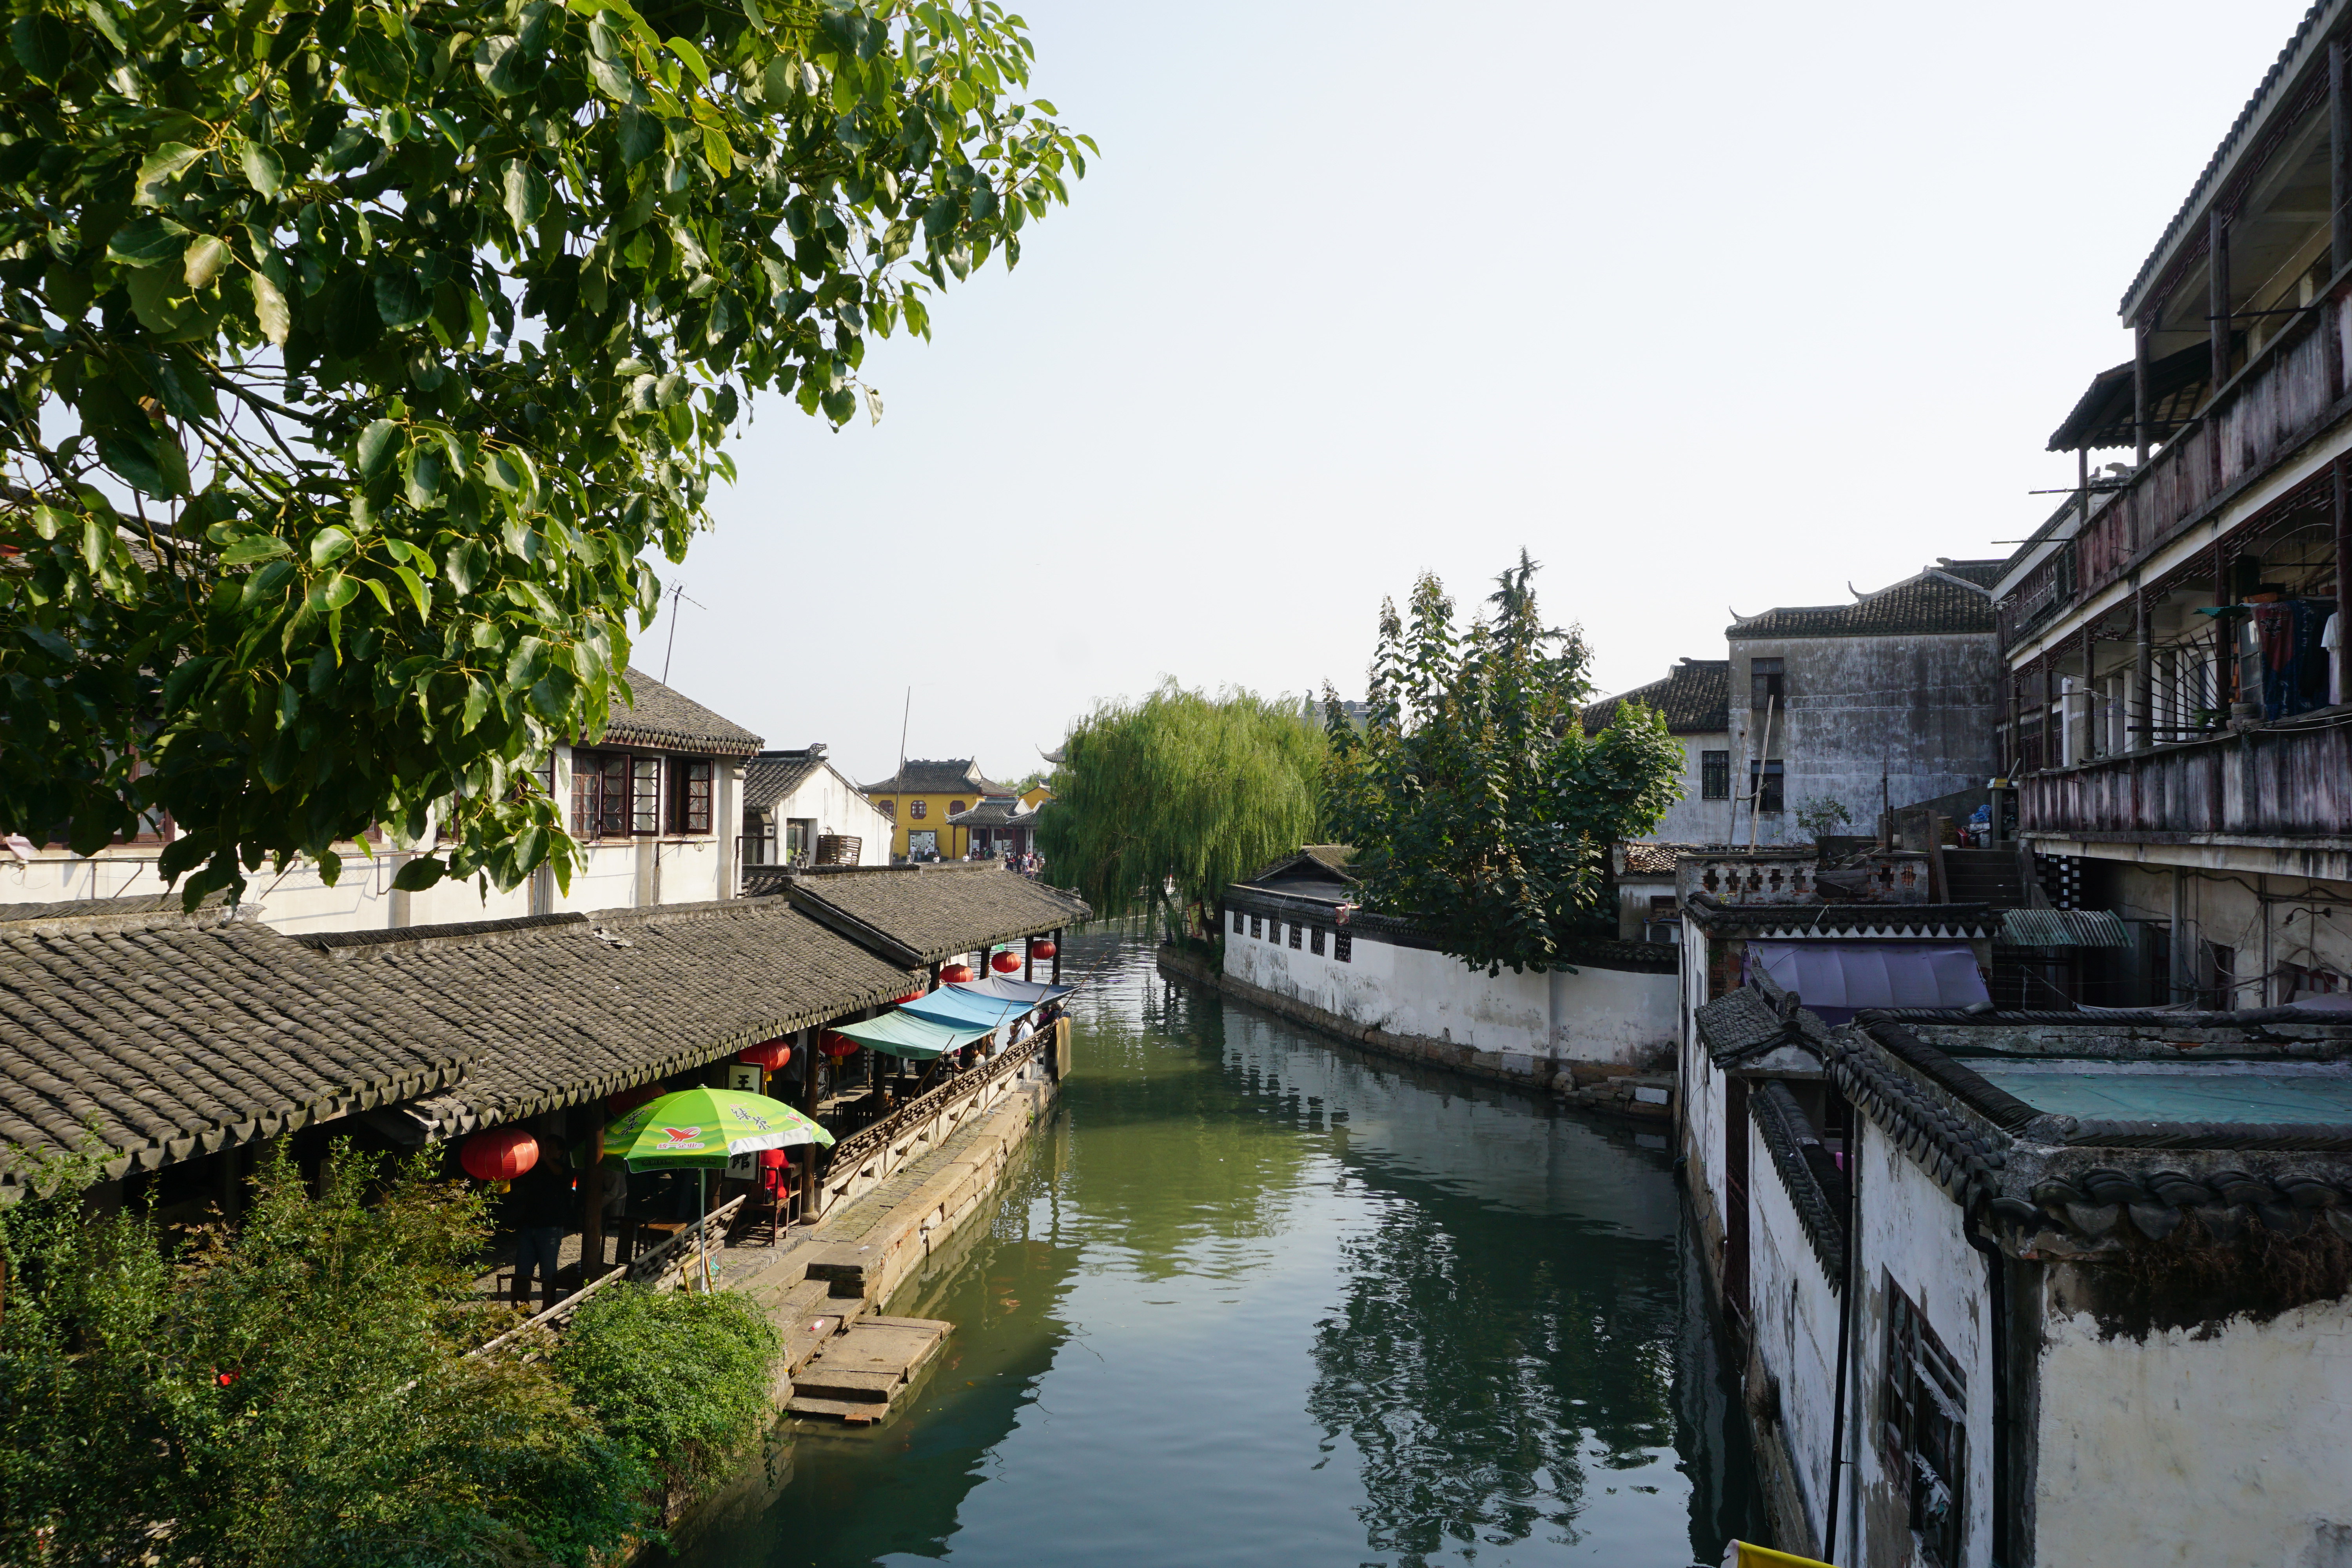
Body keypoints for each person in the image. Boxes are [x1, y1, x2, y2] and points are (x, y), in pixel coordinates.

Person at [507, 1143, 573, 1312]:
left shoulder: (564, 1168)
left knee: (548, 1270)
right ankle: (520, 1309)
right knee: (522, 1269)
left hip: (551, 1226)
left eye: (551, 1147)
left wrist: (547, 1159)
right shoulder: (536, 1167)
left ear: (560, 1151)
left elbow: (562, 1176)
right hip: (530, 1224)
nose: (547, 1150)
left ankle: (548, 1307)